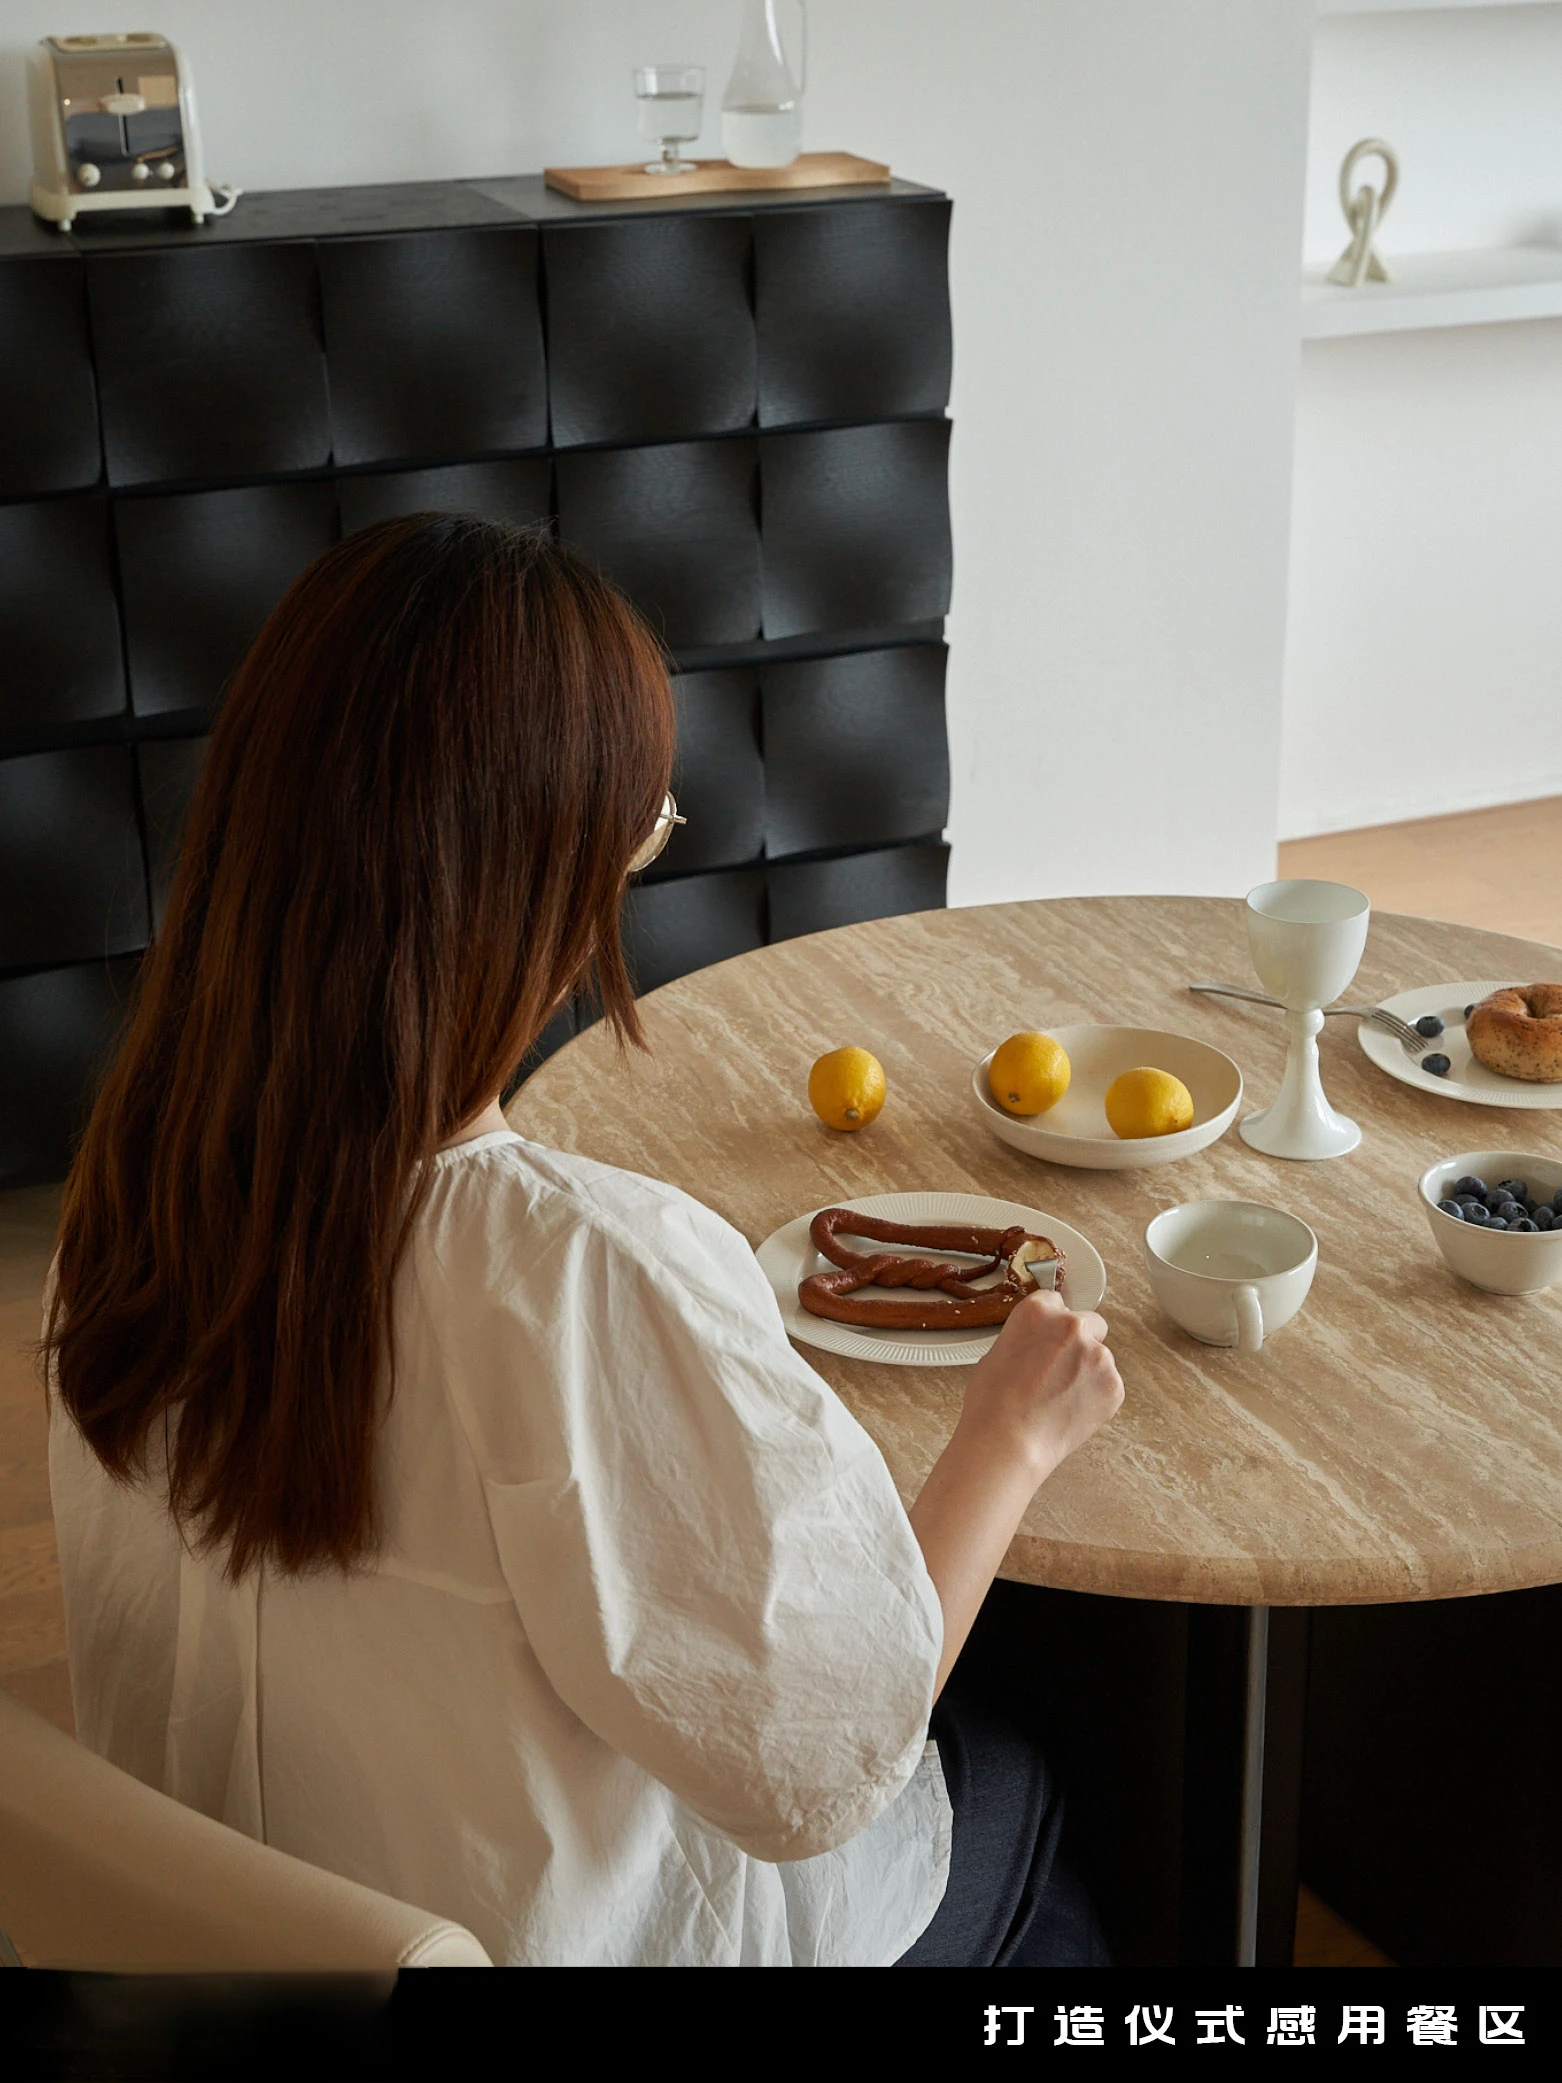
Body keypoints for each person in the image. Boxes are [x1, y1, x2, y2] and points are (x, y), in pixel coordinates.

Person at [44, 518, 1124, 1967]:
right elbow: (819, 1765)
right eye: (642, 825)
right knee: (1043, 1772)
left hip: (212, 1932)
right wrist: (1009, 1431)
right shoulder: (577, 1271)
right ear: (540, 865)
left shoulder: (129, 1191)